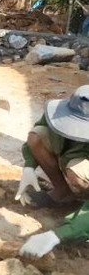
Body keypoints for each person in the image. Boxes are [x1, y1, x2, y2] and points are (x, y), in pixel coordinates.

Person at [16, 85, 89, 259]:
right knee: (37, 136)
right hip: (75, 153)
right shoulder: (62, 111)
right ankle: (63, 193)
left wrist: (58, 235)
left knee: (76, 172)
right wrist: (29, 166)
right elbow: (39, 130)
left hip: (78, 159)